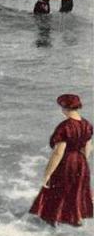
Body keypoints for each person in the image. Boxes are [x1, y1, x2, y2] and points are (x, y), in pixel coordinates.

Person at [29, 94, 92, 227]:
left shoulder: (65, 126)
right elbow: (88, 147)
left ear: (65, 108)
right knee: (74, 191)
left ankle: (51, 221)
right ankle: (74, 220)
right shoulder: (87, 124)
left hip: (67, 161)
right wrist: (82, 162)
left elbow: (58, 153)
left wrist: (47, 174)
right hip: (81, 162)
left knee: (56, 191)